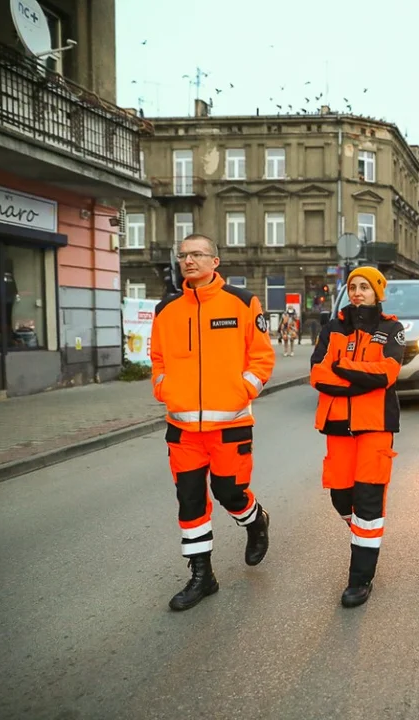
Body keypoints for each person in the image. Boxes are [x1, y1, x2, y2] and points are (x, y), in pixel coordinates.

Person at [150, 234, 275, 611]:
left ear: (215, 261)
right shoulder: (166, 308)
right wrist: (164, 388)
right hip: (182, 428)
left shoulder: (242, 301)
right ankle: (202, 576)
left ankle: (255, 521)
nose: (188, 261)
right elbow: (157, 359)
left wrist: (242, 391)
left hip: (231, 425)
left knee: (229, 494)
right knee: (190, 501)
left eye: (197, 254)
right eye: (183, 255)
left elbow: (262, 358)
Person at [310, 267, 404, 608]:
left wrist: (342, 367)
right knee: (341, 499)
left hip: (376, 426)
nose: (357, 292)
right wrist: (359, 379)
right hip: (337, 426)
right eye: (353, 287)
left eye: (365, 287)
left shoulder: (391, 329)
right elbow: (317, 374)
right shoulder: (333, 327)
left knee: (368, 502)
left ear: (378, 292)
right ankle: (363, 536)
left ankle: (360, 578)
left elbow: (387, 373)